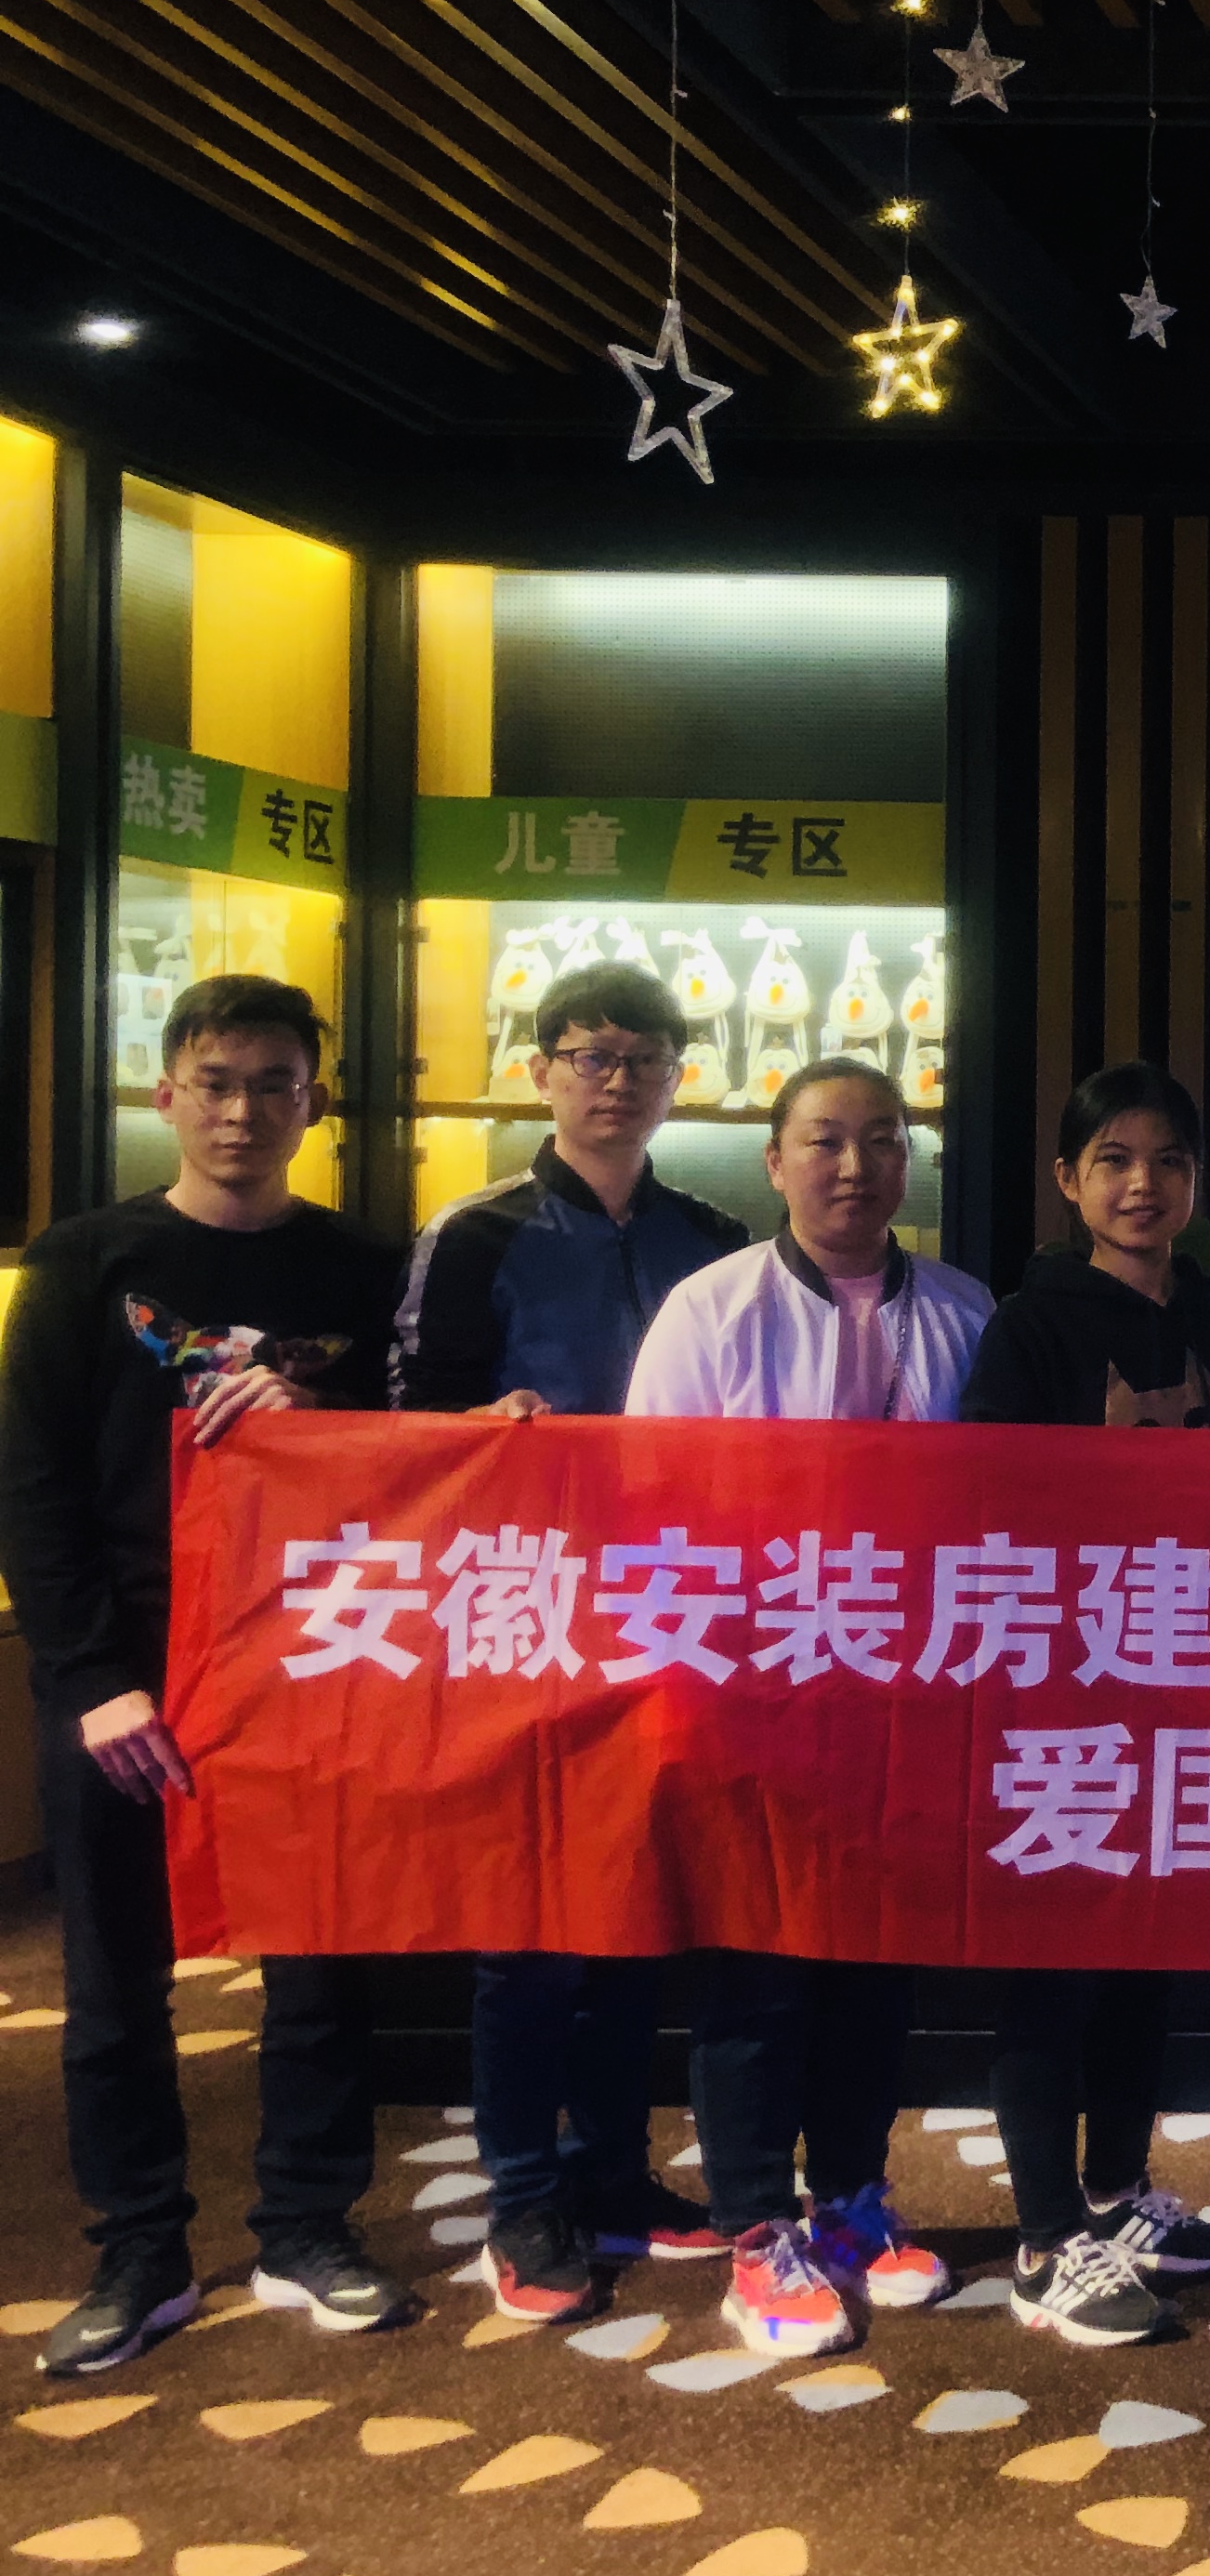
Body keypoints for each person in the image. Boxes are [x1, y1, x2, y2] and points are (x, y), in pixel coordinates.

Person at [1, 977, 414, 2374]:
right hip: (127, 1666)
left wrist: (318, 1417)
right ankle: (138, 2246)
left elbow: (414, 1464)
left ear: (316, 1102)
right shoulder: (82, 1261)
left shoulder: (365, 1270)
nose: (244, 1111)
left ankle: (309, 2224)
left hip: (311, 1661)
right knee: (117, 1973)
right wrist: (87, 1678)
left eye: (275, 1084)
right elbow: (33, 1488)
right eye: (217, 1082)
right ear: (165, 1093)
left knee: (322, 1961)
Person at [393, 961, 751, 2326]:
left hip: (669, 1609)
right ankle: (521, 2192)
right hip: (525, 1609)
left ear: (677, 1079)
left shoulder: (714, 1237)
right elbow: (403, 1433)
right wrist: (484, 1433)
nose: (617, 1080)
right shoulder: (471, 1233)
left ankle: (611, 2171)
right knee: (529, 1924)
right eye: (591, 1055)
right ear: (541, 1070)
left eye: (645, 1057)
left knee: (633, 1912)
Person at [625, 1058, 993, 2358]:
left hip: (902, 1701)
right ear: (775, 1162)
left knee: (870, 1965)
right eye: (825, 1141)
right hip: (749, 1695)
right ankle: (752, 2228)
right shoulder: (709, 1308)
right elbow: (651, 1505)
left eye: (883, 1141)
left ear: (910, 1164)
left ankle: (850, 2199)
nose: (854, 1166)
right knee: (755, 1969)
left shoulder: (964, 1309)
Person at [958, 1063, 1210, 2346]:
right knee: (1051, 1964)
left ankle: (1116, 2192)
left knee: (1146, 1951)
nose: (1145, 1185)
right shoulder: (1028, 1328)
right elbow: (984, 1508)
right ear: (1069, 1181)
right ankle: (1043, 2240)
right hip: (1060, 1692)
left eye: (1169, 1161)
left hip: (1190, 1682)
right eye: (1116, 1161)